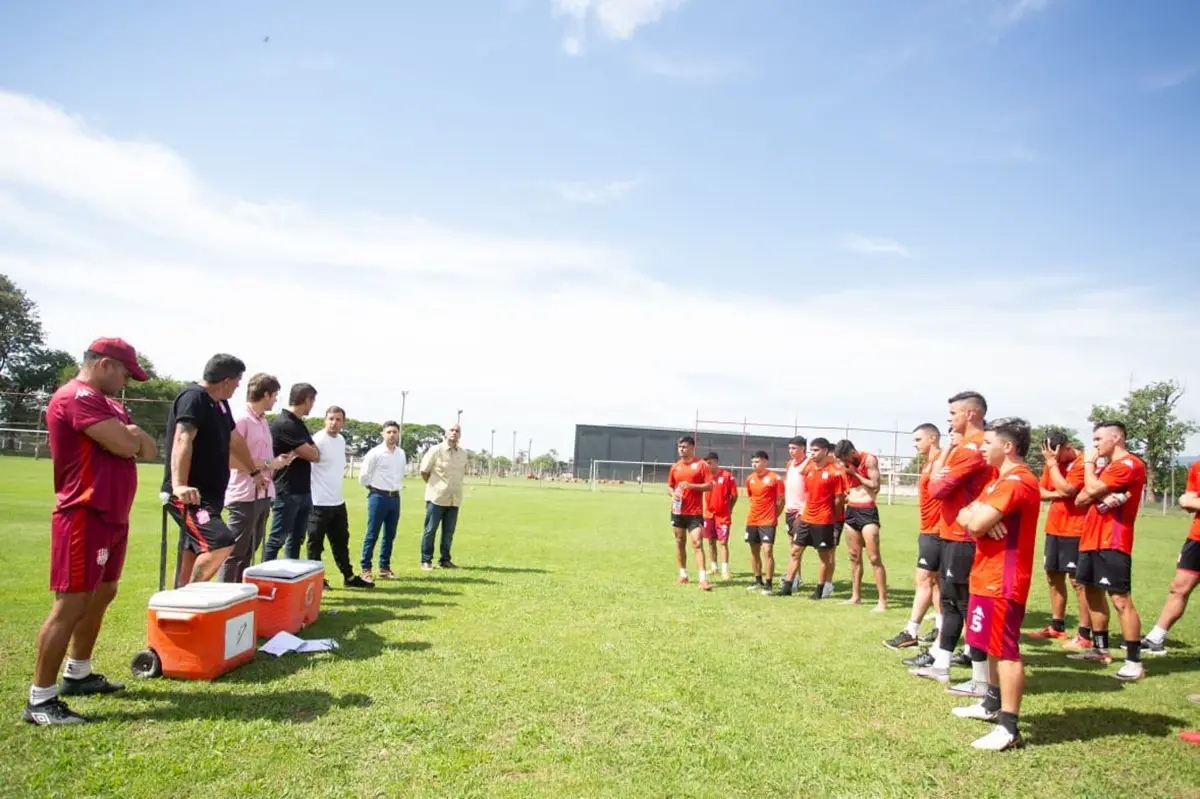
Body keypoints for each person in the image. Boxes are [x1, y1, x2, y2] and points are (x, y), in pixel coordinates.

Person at [25, 338, 155, 726]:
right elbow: (122, 443)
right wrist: (127, 437)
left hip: (113, 515)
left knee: (103, 593)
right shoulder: (76, 396)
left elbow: (146, 449)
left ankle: (77, 674)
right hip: (84, 513)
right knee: (71, 603)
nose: (127, 382)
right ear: (104, 365)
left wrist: (129, 436)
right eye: (125, 374)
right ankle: (40, 700)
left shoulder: (109, 402)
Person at [951, 417, 1041, 751]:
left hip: (1004, 580)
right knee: (987, 644)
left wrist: (978, 521)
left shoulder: (1017, 481)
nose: (982, 448)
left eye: (988, 443)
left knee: (1005, 649)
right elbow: (966, 516)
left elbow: (973, 524)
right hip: (985, 574)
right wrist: (977, 519)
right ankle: (990, 704)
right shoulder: (995, 481)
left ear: (1008, 446)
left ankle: (1009, 727)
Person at [911, 391, 994, 691]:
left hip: (964, 536)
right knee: (949, 602)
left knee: (966, 603)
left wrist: (942, 470)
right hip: (948, 533)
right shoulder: (961, 447)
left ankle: (981, 678)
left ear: (971, 414)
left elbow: (937, 488)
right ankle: (942, 665)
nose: (949, 421)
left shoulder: (976, 448)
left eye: (953, 415)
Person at [163, 353, 252, 585]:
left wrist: (254, 471)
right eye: (237, 381)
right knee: (221, 542)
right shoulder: (194, 398)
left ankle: (175, 606)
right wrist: (180, 485)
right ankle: (191, 596)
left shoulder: (221, 404)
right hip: (191, 497)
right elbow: (183, 438)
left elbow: (234, 439)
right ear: (226, 380)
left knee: (190, 551)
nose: (237, 387)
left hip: (210, 495)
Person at [1069, 420, 1147, 681]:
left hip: (1113, 540)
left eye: (1099, 439)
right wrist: (1098, 492)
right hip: (1090, 539)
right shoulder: (1108, 469)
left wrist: (1090, 468)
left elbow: (1089, 490)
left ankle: (1134, 662)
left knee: (1120, 600)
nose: (1094, 445)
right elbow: (1080, 499)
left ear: (1116, 438)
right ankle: (1099, 649)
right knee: (1090, 591)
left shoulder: (1129, 465)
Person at [218, 373, 294, 582]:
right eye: (275, 395)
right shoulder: (241, 420)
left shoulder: (262, 422)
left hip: (262, 493)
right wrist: (270, 463)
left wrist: (277, 461)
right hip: (244, 495)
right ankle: (223, 598)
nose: (276, 400)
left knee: (248, 553)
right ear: (266, 394)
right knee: (234, 553)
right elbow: (229, 460)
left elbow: (259, 457)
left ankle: (238, 599)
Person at [1028, 431, 1091, 646]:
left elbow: (1069, 488)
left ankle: (1084, 634)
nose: (1054, 459)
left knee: (1078, 582)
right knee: (1053, 577)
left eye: (1057, 454)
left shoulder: (1083, 463)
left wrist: (1053, 469)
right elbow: (1040, 491)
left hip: (1077, 529)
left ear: (1067, 446)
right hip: (1054, 527)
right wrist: (1060, 494)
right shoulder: (1053, 462)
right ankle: (1057, 627)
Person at [885, 423, 944, 649]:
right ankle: (940, 627)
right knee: (935, 582)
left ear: (933, 438)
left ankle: (911, 631)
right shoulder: (929, 463)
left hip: (936, 531)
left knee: (923, 580)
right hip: (929, 529)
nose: (915, 444)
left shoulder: (941, 461)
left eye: (918, 439)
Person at [309, 406, 373, 588]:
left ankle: (349, 577)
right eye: (330, 418)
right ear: (324, 420)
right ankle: (316, 580)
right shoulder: (317, 440)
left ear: (343, 423)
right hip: (318, 502)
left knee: (341, 542)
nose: (334, 423)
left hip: (337, 501)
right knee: (315, 545)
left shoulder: (341, 440)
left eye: (338, 419)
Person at [1140, 459, 1200, 655]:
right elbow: (1186, 503)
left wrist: (1190, 501)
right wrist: (1189, 501)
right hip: (1197, 539)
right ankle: (1155, 639)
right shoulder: (1197, 467)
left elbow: (1189, 500)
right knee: (1178, 588)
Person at [779, 438, 844, 599]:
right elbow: (807, 494)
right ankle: (787, 586)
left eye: (815, 451)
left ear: (825, 451)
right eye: (811, 451)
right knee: (795, 550)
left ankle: (820, 589)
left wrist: (831, 515)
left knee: (824, 556)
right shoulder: (808, 470)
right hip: (806, 518)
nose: (812, 454)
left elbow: (839, 499)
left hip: (823, 520)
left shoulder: (834, 472)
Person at [264, 383, 319, 561]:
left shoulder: (298, 424)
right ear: (307, 399)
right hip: (287, 490)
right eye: (313, 401)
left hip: (303, 490)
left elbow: (316, 453)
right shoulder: (285, 423)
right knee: (277, 539)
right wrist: (305, 451)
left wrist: (303, 451)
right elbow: (311, 454)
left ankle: (290, 578)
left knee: (296, 539)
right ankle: (264, 577)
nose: (313, 405)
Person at [835, 440, 888, 611]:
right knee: (854, 557)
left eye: (845, 458)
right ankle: (855, 596)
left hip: (867, 512)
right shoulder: (844, 464)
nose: (844, 462)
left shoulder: (869, 460)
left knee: (874, 557)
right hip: (851, 511)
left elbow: (875, 485)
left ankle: (882, 601)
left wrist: (855, 473)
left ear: (852, 452)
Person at [359, 421, 407, 581]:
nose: (392, 435)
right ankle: (366, 569)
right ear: (383, 434)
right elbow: (364, 476)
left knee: (390, 534)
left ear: (398, 433)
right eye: (389, 432)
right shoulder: (375, 453)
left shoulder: (401, 453)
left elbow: (400, 473)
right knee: (372, 534)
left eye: (395, 432)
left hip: (395, 497)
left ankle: (384, 567)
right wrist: (374, 489)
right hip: (378, 496)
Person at [667, 435, 714, 589]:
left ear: (693, 448)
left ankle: (703, 578)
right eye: (679, 447)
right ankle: (683, 575)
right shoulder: (675, 466)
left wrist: (691, 486)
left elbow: (709, 486)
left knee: (697, 543)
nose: (681, 449)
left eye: (685, 447)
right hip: (677, 511)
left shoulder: (701, 465)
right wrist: (673, 494)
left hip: (695, 512)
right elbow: (670, 486)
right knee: (680, 542)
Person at [420, 422, 469, 570]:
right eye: (451, 430)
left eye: (457, 431)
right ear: (446, 433)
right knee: (430, 530)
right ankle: (426, 560)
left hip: (454, 498)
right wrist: (435, 486)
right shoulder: (436, 450)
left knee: (448, 532)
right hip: (436, 498)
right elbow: (424, 471)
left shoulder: (463, 453)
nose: (454, 433)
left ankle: (445, 560)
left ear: (460, 435)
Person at [743, 451, 785, 594]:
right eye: (753, 462)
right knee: (754, 551)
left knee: (767, 551)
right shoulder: (749, 479)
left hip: (768, 521)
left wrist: (774, 515)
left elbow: (781, 500)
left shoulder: (775, 478)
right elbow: (751, 499)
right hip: (752, 520)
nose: (754, 464)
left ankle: (768, 584)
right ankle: (757, 580)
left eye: (757, 461)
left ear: (765, 462)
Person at [702, 452, 737, 581]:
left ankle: (725, 570)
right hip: (708, 514)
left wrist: (729, 509)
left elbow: (734, 495)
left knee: (723, 542)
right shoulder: (705, 477)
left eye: (710, 463)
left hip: (722, 516)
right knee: (711, 541)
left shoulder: (727, 476)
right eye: (706, 463)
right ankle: (714, 566)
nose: (708, 466)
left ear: (716, 462)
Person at [783, 436, 809, 588]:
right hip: (790, 511)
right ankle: (797, 577)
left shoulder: (809, 464)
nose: (791, 451)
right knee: (792, 544)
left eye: (794, 448)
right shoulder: (789, 464)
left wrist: (804, 509)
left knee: (797, 548)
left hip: (802, 511)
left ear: (803, 448)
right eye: (789, 448)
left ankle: (826, 582)